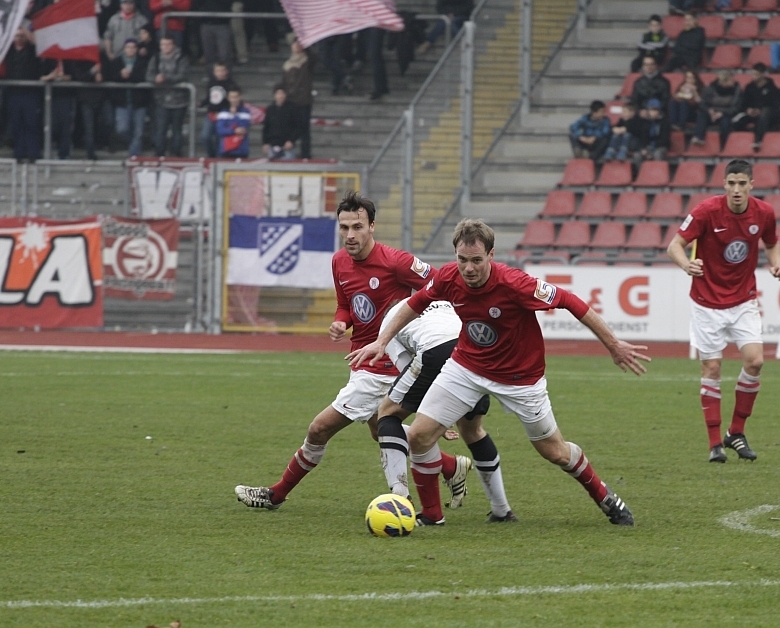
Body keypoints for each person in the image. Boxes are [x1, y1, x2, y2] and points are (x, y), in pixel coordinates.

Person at [348, 219, 649, 527]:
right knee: (420, 437)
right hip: (466, 366)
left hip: (521, 377)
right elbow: (415, 303)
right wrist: (382, 341)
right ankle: (432, 515)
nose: (468, 268)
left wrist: (613, 345)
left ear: (491, 255)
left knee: (555, 451)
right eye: (462, 259)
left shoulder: (515, 283)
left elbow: (571, 301)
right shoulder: (449, 276)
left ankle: (605, 497)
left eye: (476, 260)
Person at [234, 192, 448, 512]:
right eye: (344, 227)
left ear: (372, 226)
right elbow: (345, 304)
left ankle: (276, 494)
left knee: (319, 428)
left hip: (385, 366)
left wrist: (434, 329)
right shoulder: (339, 262)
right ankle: (449, 466)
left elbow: (442, 284)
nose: (350, 235)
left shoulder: (396, 262)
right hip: (361, 359)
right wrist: (340, 322)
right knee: (380, 430)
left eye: (357, 227)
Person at [666, 159, 780, 463]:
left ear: (751, 185)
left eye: (741, 184)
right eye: (731, 183)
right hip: (706, 302)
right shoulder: (707, 211)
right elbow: (674, 246)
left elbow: (772, 242)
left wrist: (776, 264)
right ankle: (714, 444)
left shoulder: (764, 212)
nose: (736, 189)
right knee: (712, 369)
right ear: (724, 184)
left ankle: (736, 432)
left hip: (743, 300)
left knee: (755, 361)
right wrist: (686, 265)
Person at [374, 297, 515, 523]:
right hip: (476, 351)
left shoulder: (389, 324)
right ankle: (502, 510)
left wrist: (433, 417)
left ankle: (403, 499)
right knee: (473, 430)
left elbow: (407, 371)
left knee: (388, 413)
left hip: (437, 349)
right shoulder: (442, 302)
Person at [3, 29, 44, 162]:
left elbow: (38, 44)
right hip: (14, 93)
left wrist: (25, 29)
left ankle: (33, 153)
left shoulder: (32, 50)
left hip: (30, 93)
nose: (19, 38)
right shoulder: (9, 51)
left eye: (22, 36)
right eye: (17, 36)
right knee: (16, 124)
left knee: (31, 124)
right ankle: (19, 153)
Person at [147, 35, 189, 156]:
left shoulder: (182, 57)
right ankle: (159, 154)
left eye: (168, 44)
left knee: (177, 130)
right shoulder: (156, 58)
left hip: (179, 100)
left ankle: (176, 154)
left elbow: (182, 75)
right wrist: (155, 79)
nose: (165, 47)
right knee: (160, 129)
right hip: (160, 100)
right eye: (163, 44)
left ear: (173, 45)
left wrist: (166, 78)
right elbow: (148, 75)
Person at [107, 39, 150, 156]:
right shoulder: (116, 62)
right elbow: (110, 77)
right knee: (122, 129)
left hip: (139, 102)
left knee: (139, 132)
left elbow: (145, 77)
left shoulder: (143, 62)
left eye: (133, 47)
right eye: (128, 47)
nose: (130, 49)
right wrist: (120, 75)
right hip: (122, 101)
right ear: (124, 49)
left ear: (136, 49)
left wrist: (130, 75)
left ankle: (133, 155)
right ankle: (135, 145)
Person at [733, 63, 780, 151]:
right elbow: (743, 103)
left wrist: (760, 110)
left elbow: (775, 104)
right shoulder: (749, 87)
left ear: (763, 74)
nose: (754, 76)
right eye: (753, 74)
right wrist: (748, 109)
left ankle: (758, 140)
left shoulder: (772, 88)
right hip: (751, 113)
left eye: (756, 74)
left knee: (765, 113)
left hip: (766, 114)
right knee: (735, 122)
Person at [280, 35, 314, 158]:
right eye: (295, 44)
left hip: (304, 100)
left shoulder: (307, 61)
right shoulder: (287, 64)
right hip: (290, 100)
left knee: (304, 129)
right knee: (291, 128)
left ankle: (306, 153)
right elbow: (284, 82)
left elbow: (313, 57)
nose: (297, 46)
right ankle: (289, 152)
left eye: (299, 44)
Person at [694, 70, 741, 147]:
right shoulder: (710, 88)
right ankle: (699, 138)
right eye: (731, 80)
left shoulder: (737, 90)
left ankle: (724, 145)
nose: (733, 82)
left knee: (725, 123)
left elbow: (735, 108)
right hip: (711, 112)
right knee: (702, 115)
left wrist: (721, 113)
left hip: (726, 113)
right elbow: (703, 103)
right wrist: (709, 110)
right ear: (723, 82)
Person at [200, 62, 234, 157]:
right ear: (214, 72)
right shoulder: (211, 83)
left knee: (220, 139)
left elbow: (232, 99)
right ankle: (211, 156)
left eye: (222, 71)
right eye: (218, 71)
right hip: (211, 113)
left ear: (226, 71)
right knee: (205, 136)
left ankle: (218, 158)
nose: (220, 73)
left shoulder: (230, 84)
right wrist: (201, 104)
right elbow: (209, 97)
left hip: (224, 115)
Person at [261, 85, 303, 160]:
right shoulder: (270, 109)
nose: (280, 96)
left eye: (282, 93)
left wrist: (291, 141)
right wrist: (265, 142)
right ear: (274, 95)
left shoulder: (292, 108)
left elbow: (298, 127)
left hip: (287, 147)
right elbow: (266, 127)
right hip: (273, 146)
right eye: (278, 94)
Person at [629, 98, 670, 166]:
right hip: (647, 146)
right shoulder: (645, 122)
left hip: (660, 146)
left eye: (655, 110)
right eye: (651, 110)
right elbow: (642, 137)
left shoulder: (664, 122)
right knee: (637, 155)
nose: (653, 112)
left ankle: (657, 171)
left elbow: (664, 139)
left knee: (657, 154)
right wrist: (643, 149)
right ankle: (640, 171)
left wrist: (651, 151)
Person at [215, 85, 250, 157]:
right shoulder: (223, 112)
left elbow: (243, 129)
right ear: (228, 98)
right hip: (226, 150)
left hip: (241, 150)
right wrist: (233, 131)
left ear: (240, 97)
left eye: (236, 97)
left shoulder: (246, 112)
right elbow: (220, 130)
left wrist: (235, 115)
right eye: (232, 97)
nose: (234, 100)